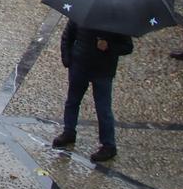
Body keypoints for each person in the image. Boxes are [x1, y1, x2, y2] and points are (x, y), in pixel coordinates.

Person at [54, 22, 133, 163]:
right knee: (72, 101)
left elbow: (127, 47)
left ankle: (109, 145)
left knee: (103, 109)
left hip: (103, 71)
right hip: (79, 66)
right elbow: (67, 36)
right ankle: (69, 132)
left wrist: (109, 46)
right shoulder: (81, 15)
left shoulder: (117, 23)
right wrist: (68, 59)